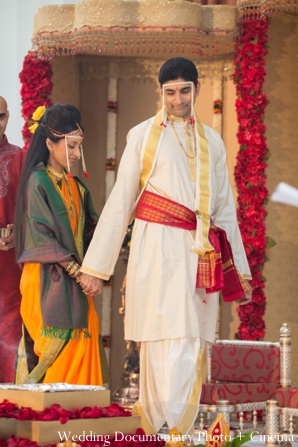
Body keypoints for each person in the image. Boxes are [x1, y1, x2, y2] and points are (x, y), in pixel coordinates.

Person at [80, 58, 252, 435]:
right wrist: (96, 267)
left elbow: (224, 208)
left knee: (191, 339)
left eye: (184, 90)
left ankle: (178, 431)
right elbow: (121, 201)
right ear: (161, 93)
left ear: (196, 90)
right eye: (170, 92)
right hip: (155, 248)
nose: (177, 99)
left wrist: (239, 269)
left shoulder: (212, 141)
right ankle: (160, 431)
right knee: (158, 339)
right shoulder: (141, 135)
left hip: (198, 253)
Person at [14, 103, 109, 385]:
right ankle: (50, 423)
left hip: (79, 286)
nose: (77, 155)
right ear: (49, 143)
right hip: (46, 283)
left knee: (84, 344)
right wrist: (81, 275)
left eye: (79, 147)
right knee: (56, 353)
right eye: (71, 146)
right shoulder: (37, 182)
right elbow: (42, 236)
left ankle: (80, 422)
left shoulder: (77, 187)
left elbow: (93, 234)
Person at [0, 96, 26, 382]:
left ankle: (5, 409)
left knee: (9, 337)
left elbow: (31, 208)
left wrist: (19, 233)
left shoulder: (19, 157)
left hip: (10, 265)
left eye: (1, 117)